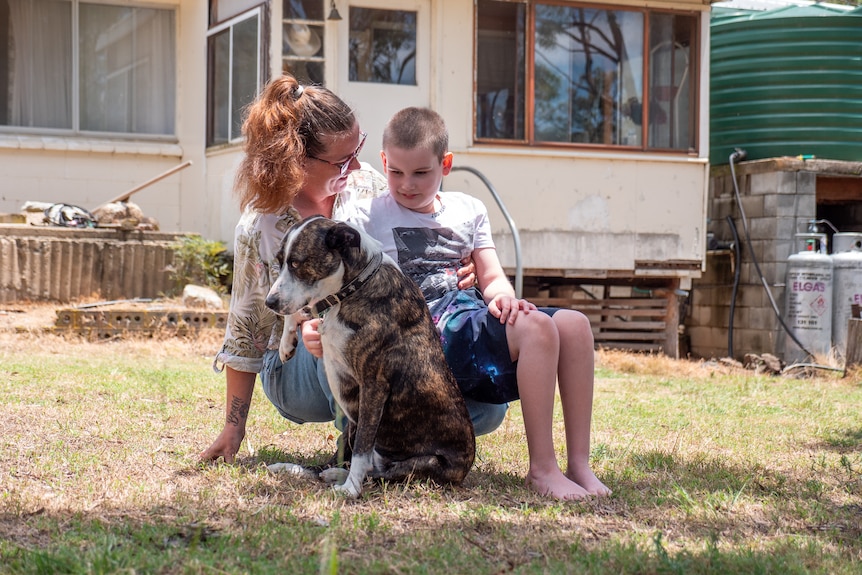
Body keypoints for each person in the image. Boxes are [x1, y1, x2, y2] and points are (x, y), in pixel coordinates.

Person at [199, 77, 507, 466]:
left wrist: (460, 269)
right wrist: (233, 427)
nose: (358, 166)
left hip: (376, 344)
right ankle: (356, 453)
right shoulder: (264, 225)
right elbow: (246, 334)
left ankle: (390, 446)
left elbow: (423, 237)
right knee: (341, 331)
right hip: (296, 363)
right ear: (295, 159)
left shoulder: (367, 188)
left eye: (358, 150)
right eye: (342, 160)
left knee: (484, 410)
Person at [349, 107, 611, 500]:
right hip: (420, 337)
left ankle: (579, 464)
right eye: (396, 172)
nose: (407, 184)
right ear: (383, 162)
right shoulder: (367, 216)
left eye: (421, 172)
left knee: (574, 324)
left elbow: (490, 275)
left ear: (446, 164)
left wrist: (504, 297)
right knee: (538, 328)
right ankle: (542, 469)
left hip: (466, 313)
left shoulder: (469, 209)